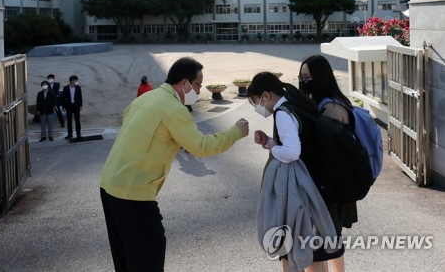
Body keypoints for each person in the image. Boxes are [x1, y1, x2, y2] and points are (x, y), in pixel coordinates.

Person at [99, 57, 249, 272]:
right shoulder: (175, 109)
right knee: (148, 254)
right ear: (185, 83)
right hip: (133, 193)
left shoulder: (146, 98)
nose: (198, 91)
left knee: (126, 256)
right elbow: (200, 146)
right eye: (198, 85)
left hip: (110, 185)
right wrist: (235, 132)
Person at [248, 72, 343, 272]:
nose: (257, 107)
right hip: (316, 184)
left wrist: (272, 145)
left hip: (301, 190)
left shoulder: (282, 113)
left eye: (255, 101)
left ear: (265, 96)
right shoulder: (296, 104)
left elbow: (292, 152)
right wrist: (268, 142)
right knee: (316, 253)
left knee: (296, 251)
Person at [299, 55, 359, 272]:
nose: (304, 81)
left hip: (331, 187)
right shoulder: (331, 101)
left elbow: (330, 153)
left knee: (318, 248)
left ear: (320, 77)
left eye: (308, 77)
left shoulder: (330, 107)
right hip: (336, 184)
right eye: (302, 76)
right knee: (331, 241)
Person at [62, 75, 83, 140]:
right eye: (75, 81)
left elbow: (80, 97)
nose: (76, 82)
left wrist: (80, 105)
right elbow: (63, 98)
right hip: (69, 106)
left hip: (76, 106)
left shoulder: (78, 87)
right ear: (71, 81)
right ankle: (70, 134)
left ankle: (78, 134)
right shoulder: (66, 88)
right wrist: (63, 106)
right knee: (69, 121)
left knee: (77, 120)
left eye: (76, 81)